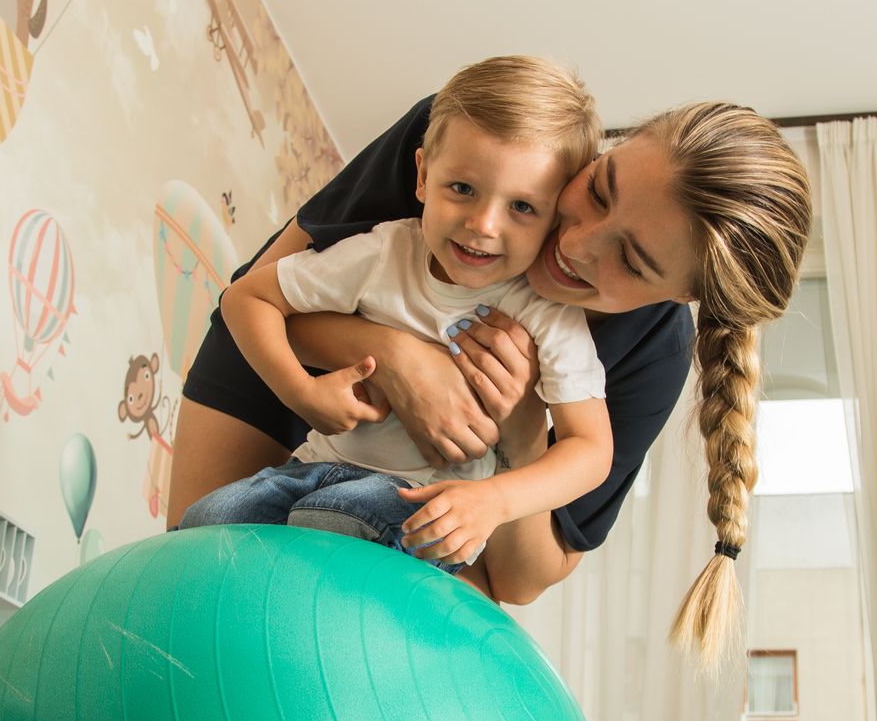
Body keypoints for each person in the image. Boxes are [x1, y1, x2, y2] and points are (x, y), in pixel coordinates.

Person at [169, 80, 811, 721]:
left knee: (403, 711)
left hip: (454, 487)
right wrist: (402, 358)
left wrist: (515, 426)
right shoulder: (486, 150)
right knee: (189, 617)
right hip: (295, 366)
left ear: (675, 296)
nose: (575, 243)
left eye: (631, 260)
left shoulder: (646, 350)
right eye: (593, 190)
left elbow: (524, 571)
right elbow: (272, 291)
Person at [177, 56, 612, 572]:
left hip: (421, 504)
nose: (484, 224)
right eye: (463, 189)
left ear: (554, 218)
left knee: (335, 520)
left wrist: (495, 501)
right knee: (204, 525)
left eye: (522, 208)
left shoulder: (545, 314)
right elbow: (246, 299)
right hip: (315, 467)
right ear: (424, 176)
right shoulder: (382, 252)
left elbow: (591, 449)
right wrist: (303, 392)